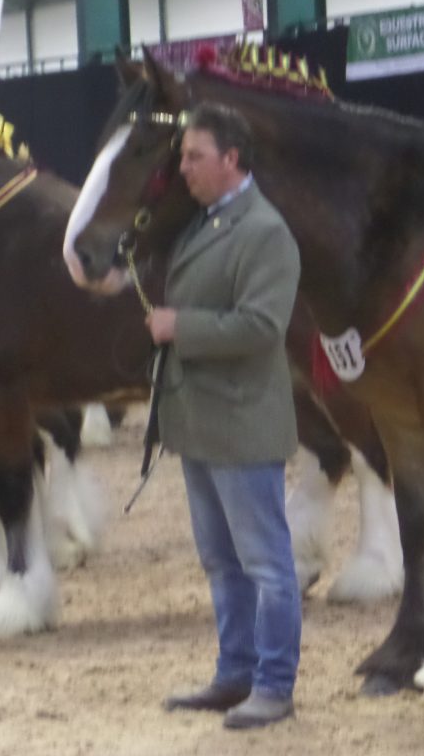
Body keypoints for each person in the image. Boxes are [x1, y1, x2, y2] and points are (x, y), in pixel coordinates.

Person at [144, 102, 302, 730]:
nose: (182, 168)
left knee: (266, 564)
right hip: (202, 423)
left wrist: (180, 326)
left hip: (243, 425)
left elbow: (262, 327)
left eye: (194, 156)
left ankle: (274, 683)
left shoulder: (265, 232)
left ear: (232, 158)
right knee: (222, 562)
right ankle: (235, 672)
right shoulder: (206, 224)